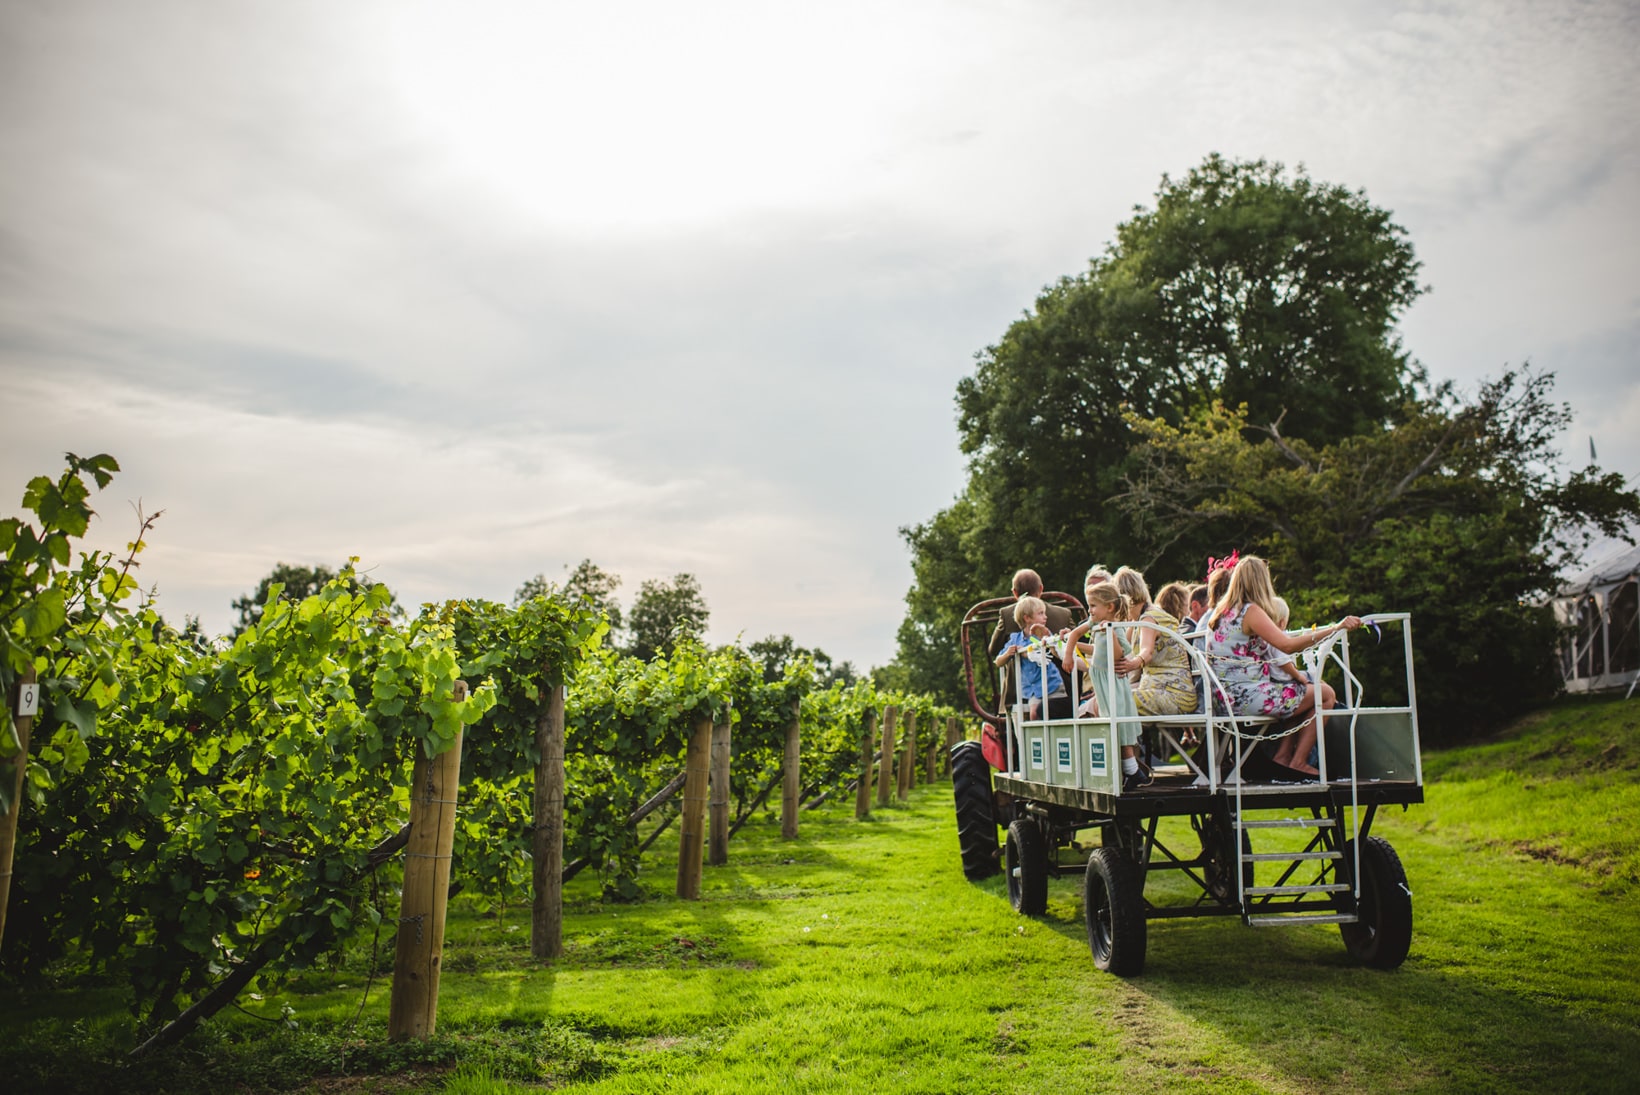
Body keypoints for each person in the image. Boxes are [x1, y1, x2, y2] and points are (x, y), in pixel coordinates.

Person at [1202, 556, 1362, 777]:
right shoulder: (1250, 611)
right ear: (1261, 582)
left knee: (1303, 691)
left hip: (1223, 698)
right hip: (1244, 698)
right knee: (1325, 694)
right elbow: (1286, 645)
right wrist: (1336, 628)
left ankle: (1284, 757)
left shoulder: (1222, 611)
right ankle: (1297, 760)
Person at [1060, 584, 1146, 790]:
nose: (1090, 610)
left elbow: (1118, 655)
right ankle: (1129, 771)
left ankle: (1132, 771)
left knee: (1120, 725)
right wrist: (1068, 654)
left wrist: (1111, 636)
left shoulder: (1115, 629)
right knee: (1109, 723)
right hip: (1100, 681)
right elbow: (1075, 635)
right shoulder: (1093, 623)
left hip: (1113, 683)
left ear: (1109, 607)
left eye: (1093, 606)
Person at [1111, 568, 1199, 718]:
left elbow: (1147, 651)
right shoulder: (1139, 620)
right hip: (1159, 690)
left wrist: (1131, 664)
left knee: (1117, 701)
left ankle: (1127, 742)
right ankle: (1128, 742)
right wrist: (1071, 645)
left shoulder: (1149, 618)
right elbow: (1117, 648)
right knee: (1112, 699)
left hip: (1175, 694)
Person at [994, 595, 1073, 720]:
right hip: (1033, 689)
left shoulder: (1043, 634)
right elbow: (998, 662)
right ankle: (1039, 739)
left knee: (1048, 713)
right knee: (1034, 714)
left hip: (1051, 684)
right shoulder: (1015, 639)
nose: (1045, 617)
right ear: (1027, 618)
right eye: (1041, 613)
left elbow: (1053, 648)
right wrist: (1007, 654)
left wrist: (1042, 642)